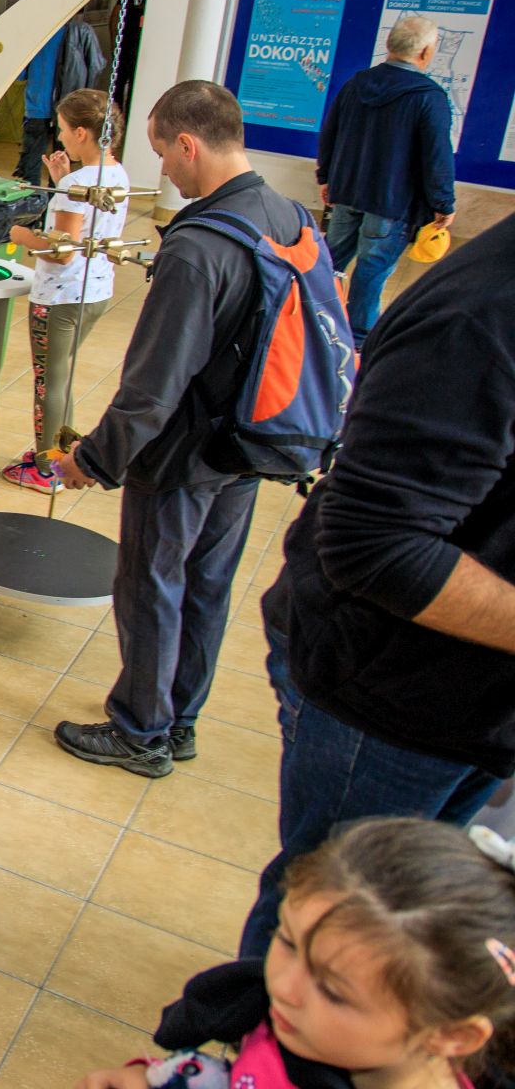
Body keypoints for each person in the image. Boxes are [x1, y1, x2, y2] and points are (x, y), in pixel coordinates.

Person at [234, 208, 515, 959]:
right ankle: (259, 1026)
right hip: (388, 691)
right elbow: (374, 540)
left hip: (472, 704)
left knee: (403, 911)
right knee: (333, 911)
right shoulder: (482, 317)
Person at [55, 81, 307, 778]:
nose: (162, 168)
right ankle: (180, 718)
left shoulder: (199, 246)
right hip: (248, 441)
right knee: (207, 583)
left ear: (190, 145)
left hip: (182, 454)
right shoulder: (287, 216)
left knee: (151, 584)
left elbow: (152, 387)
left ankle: (141, 730)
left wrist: (94, 461)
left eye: (164, 151)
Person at [77, 818, 515, 1089]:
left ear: (451, 1035)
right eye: (287, 941)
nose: (283, 988)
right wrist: (152, 1078)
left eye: (333, 992)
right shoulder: (312, 1033)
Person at [3, 88, 132, 492]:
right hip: (94, 292)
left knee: (49, 383)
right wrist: (62, 183)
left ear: (81, 132)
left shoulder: (79, 182)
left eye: (61, 129)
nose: (58, 138)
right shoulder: (116, 174)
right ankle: (61, 456)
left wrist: (19, 234)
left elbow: (62, 252)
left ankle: (47, 470)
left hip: (60, 297)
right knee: (61, 377)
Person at [317, 12, 457, 347]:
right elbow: (437, 156)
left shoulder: (356, 84)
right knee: (372, 271)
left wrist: (327, 178)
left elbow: (330, 132)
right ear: (425, 52)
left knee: (329, 262)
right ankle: (359, 340)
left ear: (390, 44)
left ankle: (313, 323)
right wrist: (443, 203)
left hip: (347, 192)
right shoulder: (429, 96)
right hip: (391, 202)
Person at [15, 10, 108, 184]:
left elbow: (19, 74)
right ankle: (56, 197)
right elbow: (96, 66)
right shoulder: (82, 31)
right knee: (62, 160)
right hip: (67, 109)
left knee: (32, 160)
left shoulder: (35, 34)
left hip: (39, 105)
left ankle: (32, 199)